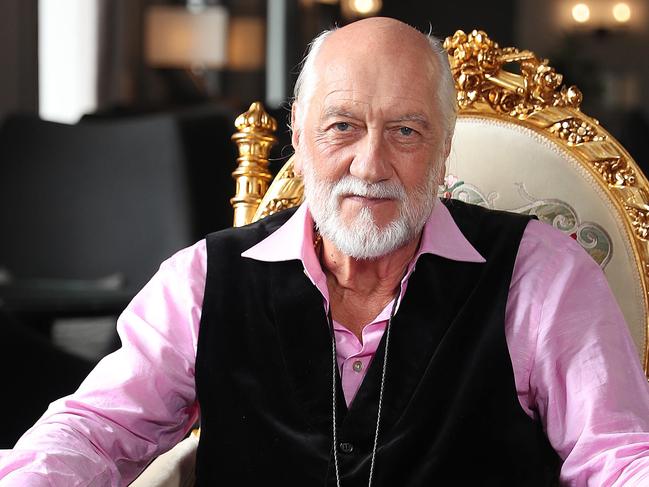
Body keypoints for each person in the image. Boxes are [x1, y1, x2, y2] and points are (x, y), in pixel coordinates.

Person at [2, 16, 649, 486]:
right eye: (342, 125)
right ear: (298, 137)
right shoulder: (203, 281)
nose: (370, 164)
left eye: (405, 131)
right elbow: (92, 430)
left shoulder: (541, 275)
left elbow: (618, 458)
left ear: (443, 147)